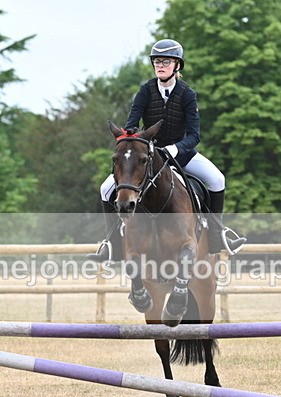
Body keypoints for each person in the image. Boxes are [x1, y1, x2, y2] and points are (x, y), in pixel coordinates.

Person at [88, 38, 245, 262]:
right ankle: (111, 245)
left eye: (166, 61)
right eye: (157, 61)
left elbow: (194, 136)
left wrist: (175, 149)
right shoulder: (145, 91)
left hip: (181, 154)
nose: (160, 65)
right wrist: (131, 137)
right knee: (106, 188)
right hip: (147, 155)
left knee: (217, 179)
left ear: (177, 65)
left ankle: (217, 235)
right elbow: (132, 124)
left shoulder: (187, 95)